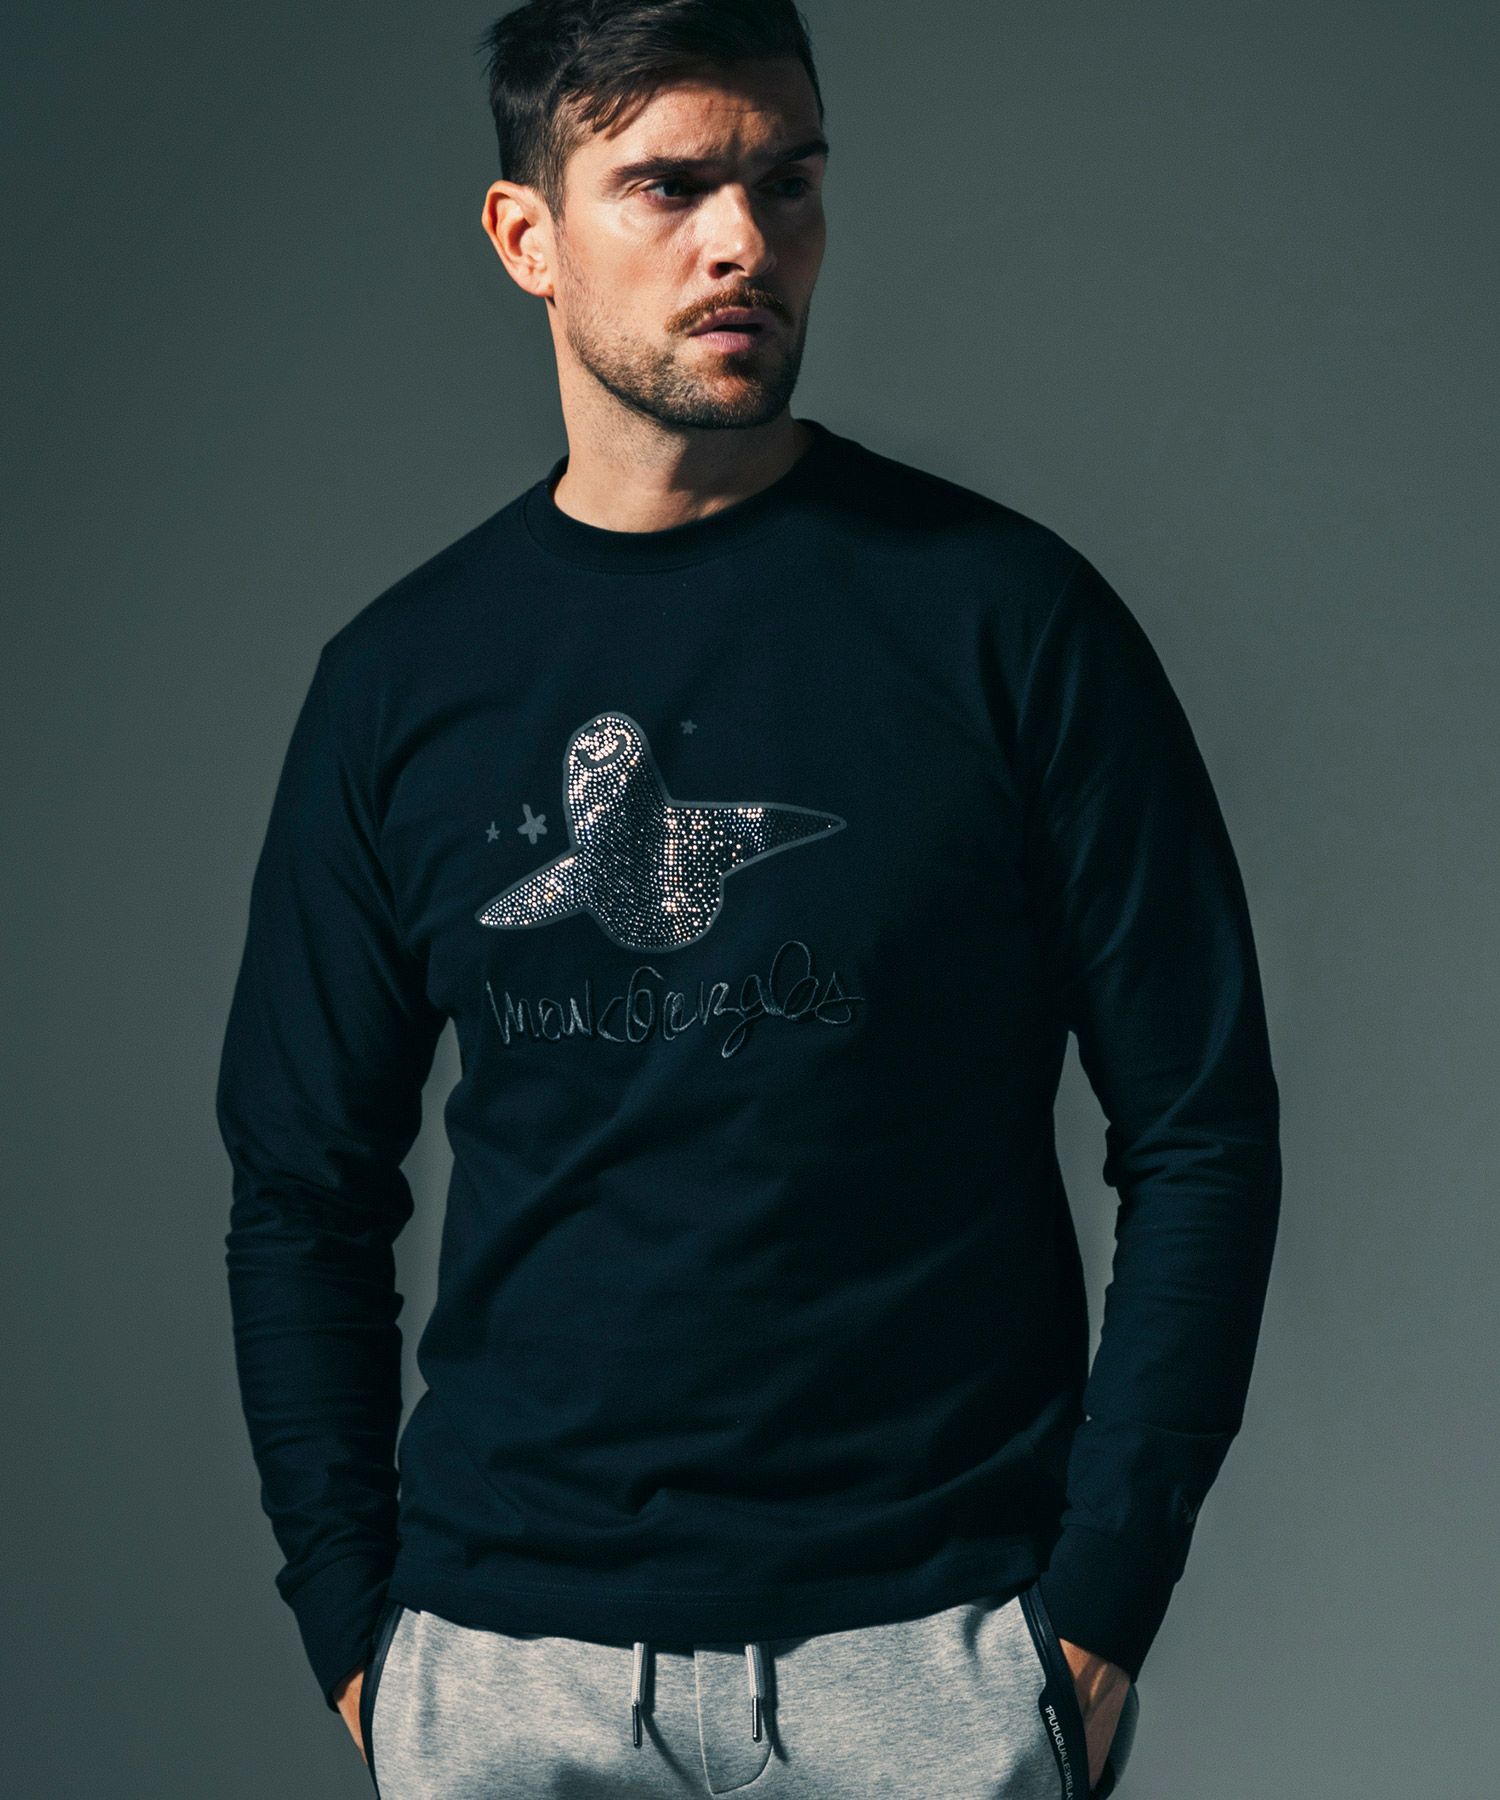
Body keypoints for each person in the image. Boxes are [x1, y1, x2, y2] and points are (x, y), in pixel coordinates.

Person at [215, 1, 1282, 1794]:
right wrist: (356, 1631)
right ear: (527, 237)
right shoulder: (399, 684)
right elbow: (299, 1186)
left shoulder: (1010, 626)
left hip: (931, 1659)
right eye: (669, 186)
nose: (744, 243)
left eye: (787, 183)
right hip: (504, 1673)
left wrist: (1100, 1603)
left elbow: (1203, 1124)